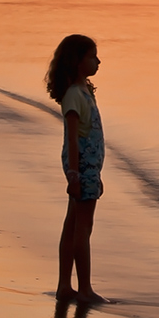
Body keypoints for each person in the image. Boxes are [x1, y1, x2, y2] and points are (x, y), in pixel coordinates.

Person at [45, 34, 110, 304]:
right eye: (92, 56)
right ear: (77, 61)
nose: (98, 61)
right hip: (81, 166)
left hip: (88, 167)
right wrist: (75, 174)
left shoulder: (84, 91)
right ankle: (84, 289)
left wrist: (96, 173)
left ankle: (64, 286)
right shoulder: (74, 95)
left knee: (74, 223)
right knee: (83, 226)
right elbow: (72, 138)